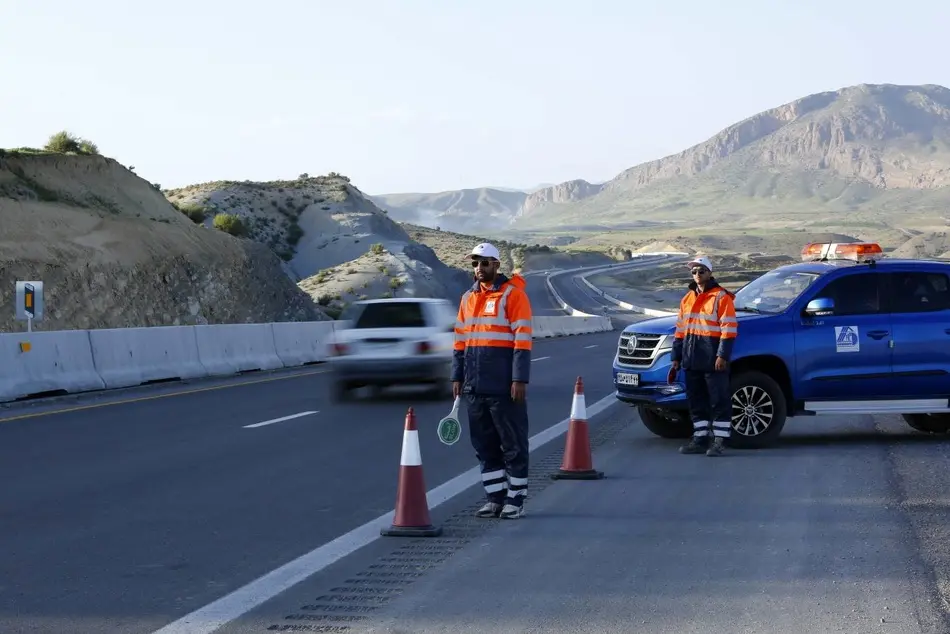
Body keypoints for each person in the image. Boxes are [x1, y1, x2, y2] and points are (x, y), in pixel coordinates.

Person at [451, 242, 533, 519]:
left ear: (497, 265)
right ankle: (494, 498)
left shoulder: (513, 295)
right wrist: (457, 376)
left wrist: (519, 379)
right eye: (475, 263)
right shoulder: (467, 298)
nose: (479, 268)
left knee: (513, 444)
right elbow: (460, 341)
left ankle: (516, 500)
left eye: (484, 263)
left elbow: (522, 340)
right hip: (475, 386)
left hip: (503, 385)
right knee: (484, 446)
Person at [669, 255, 738, 457]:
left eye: (701, 271)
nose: (697, 274)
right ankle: (700, 439)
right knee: (696, 400)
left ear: (709, 273)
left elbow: (729, 328)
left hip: (712, 357)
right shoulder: (687, 299)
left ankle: (720, 441)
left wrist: (722, 355)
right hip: (691, 358)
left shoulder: (721, 297)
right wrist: (676, 355)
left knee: (719, 400)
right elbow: (680, 330)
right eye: (693, 271)